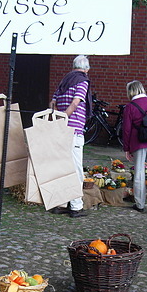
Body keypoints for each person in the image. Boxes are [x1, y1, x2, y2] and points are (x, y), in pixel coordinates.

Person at [49, 55, 92, 218]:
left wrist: (57, 119)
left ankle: (59, 204)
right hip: (73, 130)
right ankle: (75, 206)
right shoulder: (82, 81)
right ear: (86, 69)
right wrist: (65, 118)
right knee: (75, 168)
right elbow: (75, 103)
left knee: (62, 167)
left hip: (60, 131)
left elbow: (52, 103)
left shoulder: (63, 81)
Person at [121, 80, 147, 214]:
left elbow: (126, 129)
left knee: (139, 173)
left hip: (138, 142)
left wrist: (126, 148)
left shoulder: (130, 107)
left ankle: (140, 204)